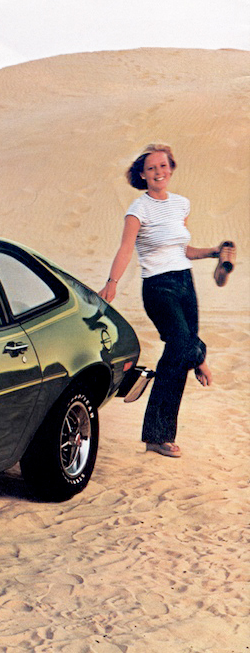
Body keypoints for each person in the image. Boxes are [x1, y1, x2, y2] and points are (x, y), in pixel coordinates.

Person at [98, 143, 237, 459]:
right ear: (142, 175)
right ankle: (199, 357)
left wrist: (213, 252)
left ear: (171, 169)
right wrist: (112, 282)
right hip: (158, 287)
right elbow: (126, 249)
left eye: (163, 166)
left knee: (175, 358)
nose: (158, 172)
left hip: (185, 283)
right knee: (183, 343)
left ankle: (158, 437)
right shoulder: (138, 209)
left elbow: (182, 249)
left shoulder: (181, 204)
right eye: (151, 168)